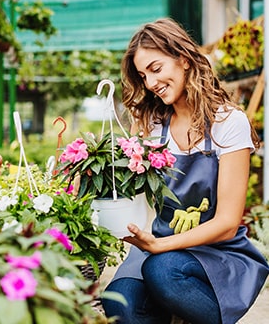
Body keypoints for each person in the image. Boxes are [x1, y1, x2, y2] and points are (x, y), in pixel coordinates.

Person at [101, 18, 269, 324]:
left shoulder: (227, 123)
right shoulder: (153, 124)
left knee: (163, 273)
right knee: (119, 302)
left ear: (184, 59)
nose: (150, 83)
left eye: (156, 68)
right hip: (162, 245)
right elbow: (131, 190)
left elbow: (228, 223)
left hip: (217, 251)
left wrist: (159, 245)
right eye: (143, 75)